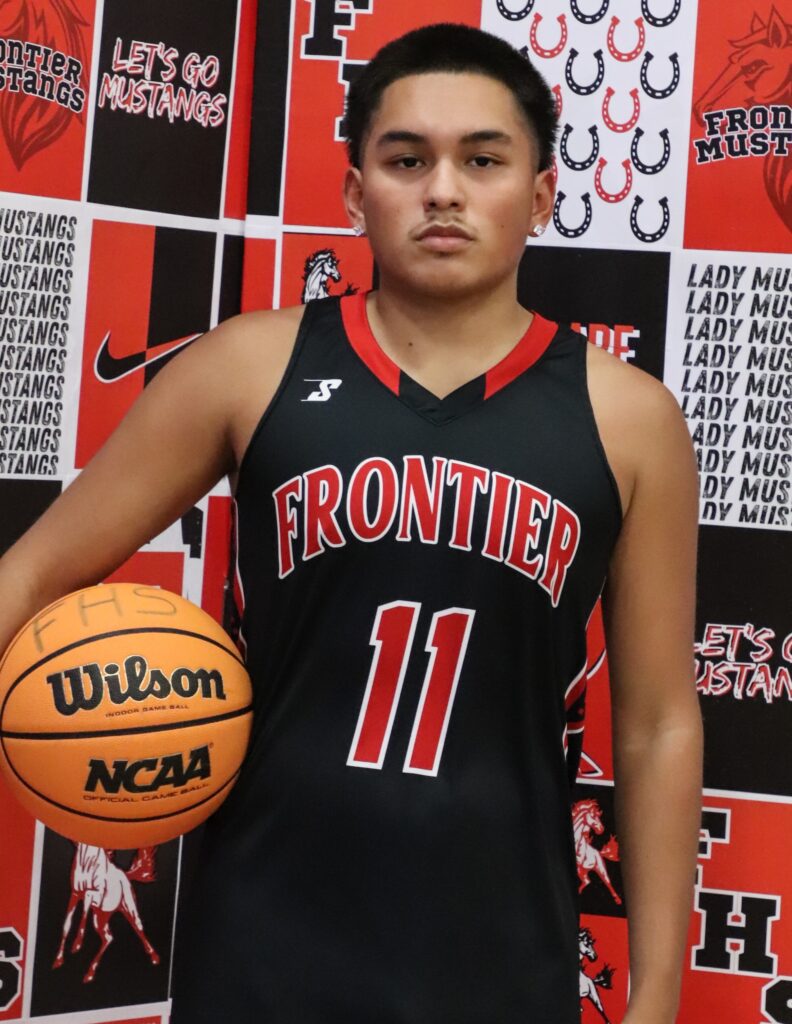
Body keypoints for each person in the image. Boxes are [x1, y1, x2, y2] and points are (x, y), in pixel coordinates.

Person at [0, 22, 702, 1024]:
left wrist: (658, 992)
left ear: (543, 194)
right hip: (262, 942)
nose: (444, 190)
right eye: (407, 159)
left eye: (484, 160)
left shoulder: (630, 419)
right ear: (353, 192)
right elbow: (33, 572)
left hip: (503, 950)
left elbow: (659, 721)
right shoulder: (248, 365)